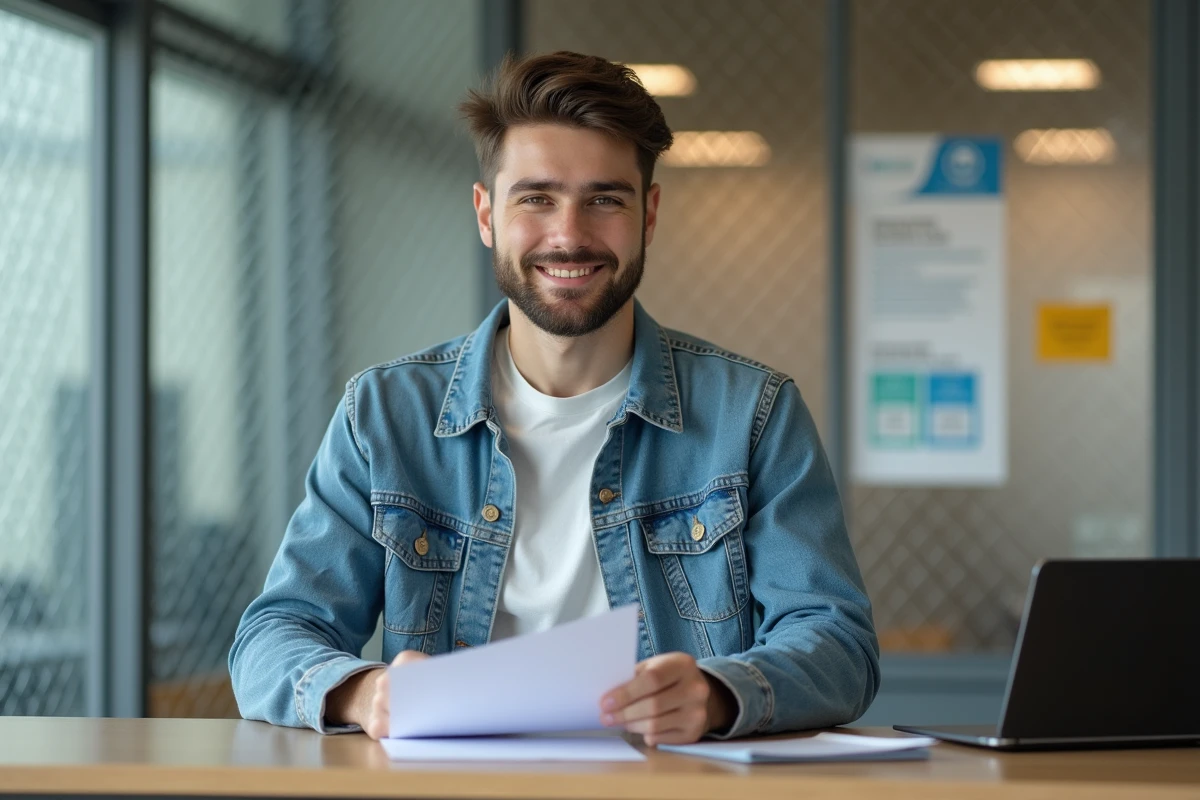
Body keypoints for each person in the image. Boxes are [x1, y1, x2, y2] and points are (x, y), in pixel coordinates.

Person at [229, 51, 879, 746]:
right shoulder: (385, 415)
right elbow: (273, 637)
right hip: (454, 790)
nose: (569, 235)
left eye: (605, 200)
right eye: (536, 198)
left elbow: (839, 643)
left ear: (649, 215)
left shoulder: (752, 415)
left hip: (667, 788)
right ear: (486, 214)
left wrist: (720, 695)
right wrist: (366, 693)